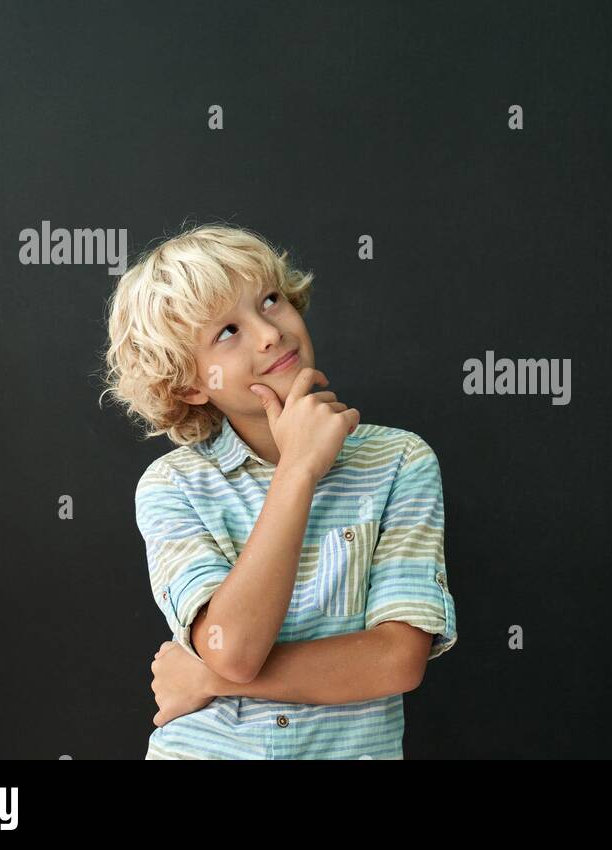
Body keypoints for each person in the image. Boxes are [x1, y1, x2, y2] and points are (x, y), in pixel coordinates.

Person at [98, 222, 457, 758]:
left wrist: (209, 680)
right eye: (227, 332)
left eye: (270, 300)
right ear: (191, 384)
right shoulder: (173, 486)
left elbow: (395, 662)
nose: (269, 333)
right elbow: (234, 650)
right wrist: (298, 471)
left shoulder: (399, 461)